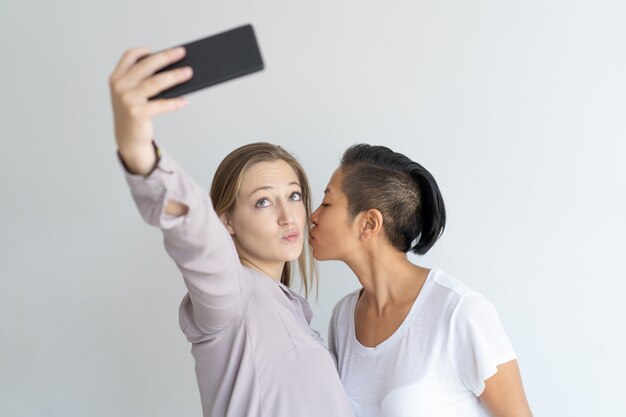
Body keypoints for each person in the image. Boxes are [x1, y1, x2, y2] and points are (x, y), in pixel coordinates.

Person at [109, 46, 355, 417]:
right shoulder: (230, 293)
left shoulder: (295, 314)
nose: (289, 217)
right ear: (225, 221)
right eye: (263, 202)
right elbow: (196, 235)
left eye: (293, 196)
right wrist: (139, 153)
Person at [309, 144, 533, 417]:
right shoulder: (343, 318)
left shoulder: (460, 312)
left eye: (327, 202)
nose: (313, 216)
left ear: (369, 223)